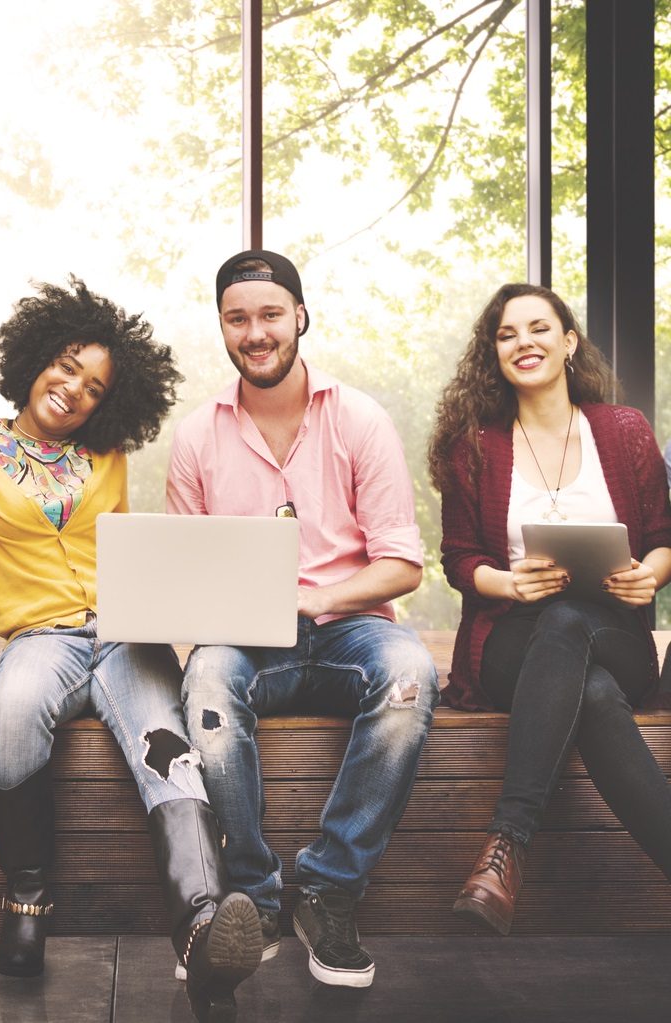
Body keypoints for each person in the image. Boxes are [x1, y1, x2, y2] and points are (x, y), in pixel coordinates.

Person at [0, 276, 262, 1020]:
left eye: (94, 387)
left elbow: (126, 550)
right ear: (34, 358)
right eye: (65, 365)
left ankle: (202, 927)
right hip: (40, 636)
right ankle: (27, 895)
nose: (73, 390)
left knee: (167, 745)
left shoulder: (108, 454)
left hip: (123, 632)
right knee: (15, 710)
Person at [167, 250, 437, 990]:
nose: (255, 332)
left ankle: (329, 887)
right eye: (238, 317)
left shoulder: (359, 419)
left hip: (350, 627)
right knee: (210, 679)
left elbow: (403, 565)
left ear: (300, 317)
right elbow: (186, 573)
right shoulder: (196, 437)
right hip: (251, 642)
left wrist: (317, 597)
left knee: (412, 672)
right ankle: (252, 895)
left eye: (270, 315)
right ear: (222, 327)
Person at [429, 282, 671, 935]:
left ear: (568, 342)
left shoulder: (624, 432)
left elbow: (662, 539)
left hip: (615, 634)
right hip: (512, 640)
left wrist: (648, 576)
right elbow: (457, 558)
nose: (523, 342)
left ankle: (505, 848)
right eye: (507, 334)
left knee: (579, 639)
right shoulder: (475, 444)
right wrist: (507, 584)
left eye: (538, 328)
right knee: (577, 668)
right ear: (495, 354)